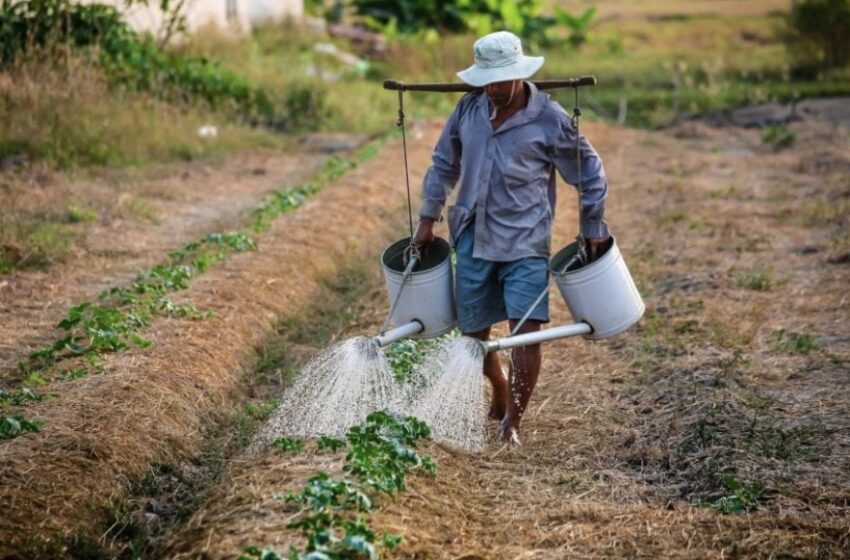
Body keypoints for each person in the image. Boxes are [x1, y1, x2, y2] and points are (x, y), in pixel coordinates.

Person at [411, 31, 610, 445]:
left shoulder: (549, 118)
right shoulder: (469, 108)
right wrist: (428, 218)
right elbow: (444, 163)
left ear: (520, 75)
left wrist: (592, 224)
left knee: (526, 332)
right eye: (486, 81)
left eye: (501, 81)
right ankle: (499, 385)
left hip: (526, 240)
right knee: (473, 336)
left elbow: (589, 171)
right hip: (473, 235)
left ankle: (511, 424)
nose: (493, 89)